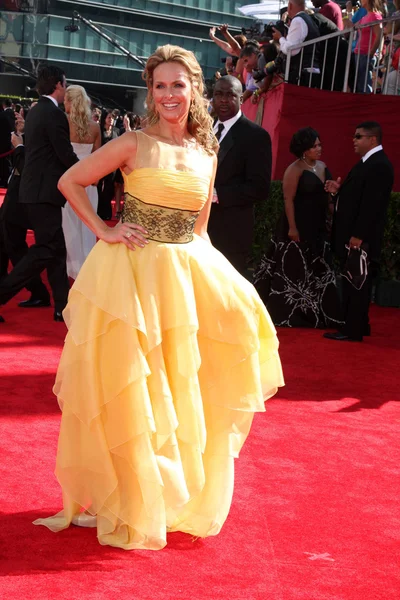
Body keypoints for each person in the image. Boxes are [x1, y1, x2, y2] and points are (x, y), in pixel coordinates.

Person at [33, 45, 284, 551]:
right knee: (138, 389)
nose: (169, 94)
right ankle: (130, 497)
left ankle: (166, 497)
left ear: (194, 90)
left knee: (178, 386)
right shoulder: (133, 143)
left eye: (177, 84)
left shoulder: (207, 152)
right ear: (151, 93)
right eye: (159, 86)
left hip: (183, 278)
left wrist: (225, 287)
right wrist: (104, 230)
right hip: (132, 276)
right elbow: (70, 181)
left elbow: (200, 232)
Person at [0, 65, 78, 323]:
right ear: (57, 85)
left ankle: (62, 306)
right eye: (64, 84)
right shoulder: (53, 114)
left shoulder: (35, 111)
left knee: (56, 250)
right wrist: (90, 170)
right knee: (45, 250)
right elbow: (64, 153)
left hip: (34, 191)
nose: (65, 89)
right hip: (43, 194)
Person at [254, 127, 342, 328]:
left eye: (320, 145)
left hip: (318, 225)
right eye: (314, 146)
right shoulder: (293, 170)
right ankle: (291, 314)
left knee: (320, 268)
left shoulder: (322, 166)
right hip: (298, 224)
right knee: (294, 268)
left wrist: (334, 196)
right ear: (304, 149)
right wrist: (292, 228)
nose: (319, 149)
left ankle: (320, 314)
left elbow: (328, 197)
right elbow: (288, 200)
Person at [324, 121, 394, 341]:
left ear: (372, 139)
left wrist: (358, 235)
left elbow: (372, 205)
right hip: (355, 236)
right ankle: (360, 325)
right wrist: (338, 193)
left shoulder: (379, 165)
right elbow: (357, 199)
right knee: (357, 281)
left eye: (358, 137)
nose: (353, 140)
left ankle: (352, 330)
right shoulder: (368, 162)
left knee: (356, 283)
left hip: (360, 238)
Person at [207, 75, 272, 277]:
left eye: (230, 95)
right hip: (197, 229)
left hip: (231, 232)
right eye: (219, 94)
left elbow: (260, 188)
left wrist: (218, 194)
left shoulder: (255, 136)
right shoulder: (203, 130)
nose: (224, 100)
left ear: (241, 99)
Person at [0, 118, 50, 309]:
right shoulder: (32, 140)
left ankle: (38, 292)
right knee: (6, 248)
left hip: (18, 205)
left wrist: (19, 145)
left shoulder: (39, 145)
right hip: (13, 202)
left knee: (18, 253)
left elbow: (25, 168)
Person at [62, 85, 101, 279]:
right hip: (88, 183)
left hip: (68, 182)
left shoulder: (62, 123)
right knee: (88, 226)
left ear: (70, 101)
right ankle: (87, 270)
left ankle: (72, 269)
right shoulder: (94, 127)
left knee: (68, 227)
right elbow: (98, 158)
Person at [272, 0, 321, 85]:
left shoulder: (298, 20)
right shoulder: (308, 19)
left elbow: (290, 49)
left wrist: (280, 38)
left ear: (290, 6)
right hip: (310, 70)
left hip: (303, 73)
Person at [97, 109, 123, 220]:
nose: (111, 120)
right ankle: (97, 210)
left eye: (112, 118)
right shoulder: (98, 130)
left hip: (112, 164)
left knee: (109, 187)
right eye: (108, 118)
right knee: (98, 186)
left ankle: (106, 212)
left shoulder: (117, 131)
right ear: (104, 119)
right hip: (99, 162)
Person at [353, 0, 383, 93]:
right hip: (359, 53)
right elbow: (353, 26)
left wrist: (371, 53)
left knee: (365, 85)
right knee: (360, 84)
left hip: (366, 54)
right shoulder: (365, 16)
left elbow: (379, 35)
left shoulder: (375, 16)